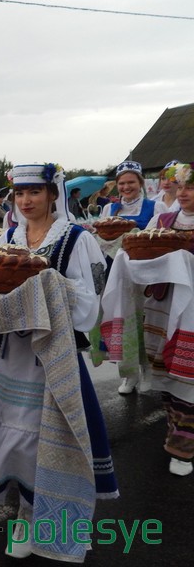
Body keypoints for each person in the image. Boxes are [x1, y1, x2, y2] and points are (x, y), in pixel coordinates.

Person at [0, 163, 118, 561]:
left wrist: (46, 287)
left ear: (53, 193)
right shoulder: (5, 237)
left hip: (47, 359)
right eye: (19, 194)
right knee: (8, 440)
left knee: (42, 439)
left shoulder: (74, 240)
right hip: (6, 359)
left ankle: (41, 517)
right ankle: (23, 511)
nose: (26, 201)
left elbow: (88, 307)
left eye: (34, 192)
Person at [139, 162, 194, 476]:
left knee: (188, 379)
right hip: (162, 308)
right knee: (167, 377)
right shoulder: (163, 220)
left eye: (190, 187)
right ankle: (176, 426)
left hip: (192, 314)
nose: (182, 193)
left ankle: (182, 447)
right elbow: (142, 255)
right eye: (180, 186)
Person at [101, 161, 160, 228]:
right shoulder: (108, 209)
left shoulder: (156, 207)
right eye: (121, 183)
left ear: (141, 183)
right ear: (117, 185)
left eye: (131, 182)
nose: (126, 187)